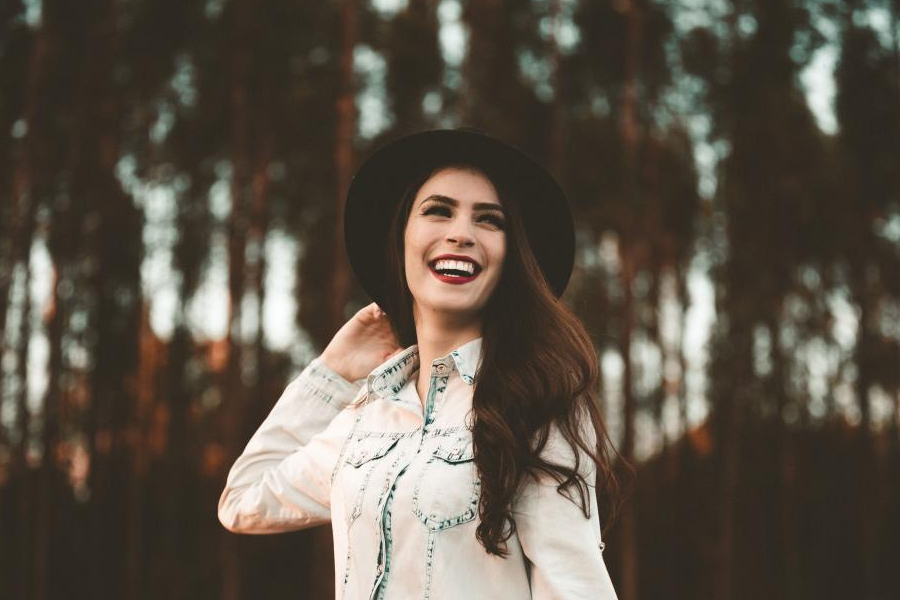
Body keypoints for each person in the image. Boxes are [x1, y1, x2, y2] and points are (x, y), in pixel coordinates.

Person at [218, 128, 624, 600]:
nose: (461, 233)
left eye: (489, 220)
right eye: (438, 210)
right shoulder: (366, 415)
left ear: (510, 256)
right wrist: (332, 372)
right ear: (402, 238)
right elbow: (243, 500)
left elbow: (576, 587)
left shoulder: (537, 405)